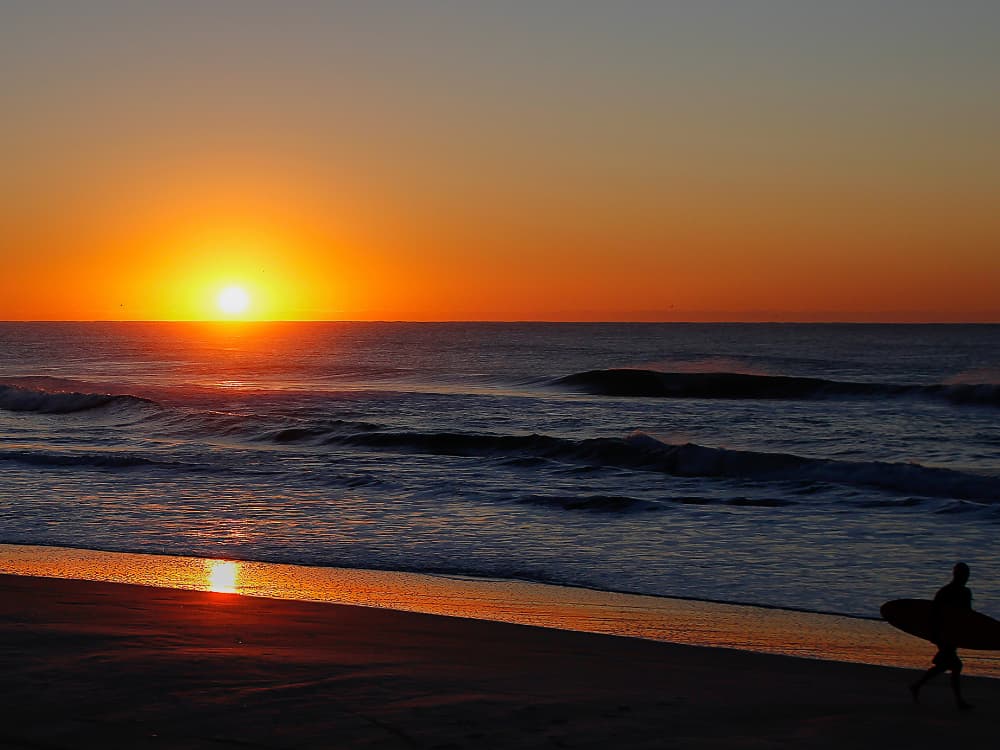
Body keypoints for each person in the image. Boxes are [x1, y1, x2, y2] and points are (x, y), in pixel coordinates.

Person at [909, 562, 973, 710]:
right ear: (957, 575)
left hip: (953, 633)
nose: (966, 577)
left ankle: (916, 686)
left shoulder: (960, 592)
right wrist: (934, 634)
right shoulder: (947, 592)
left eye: (967, 575)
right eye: (964, 574)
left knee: (945, 665)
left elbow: (968, 616)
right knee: (956, 665)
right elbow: (934, 614)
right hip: (944, 634)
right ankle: (959, 702)